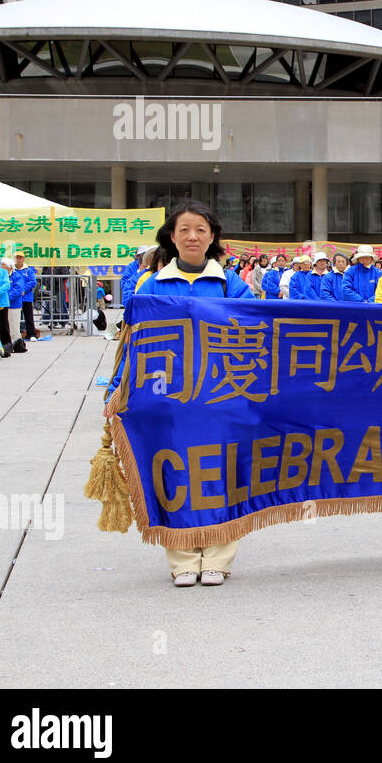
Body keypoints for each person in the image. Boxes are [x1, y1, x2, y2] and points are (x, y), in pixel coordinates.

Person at [109, 200, 252, 587]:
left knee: (224, 472)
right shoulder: (151, 285)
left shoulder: (232, 284)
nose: (193, 236)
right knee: (175, 471)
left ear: (213, 237)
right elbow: (135, 342)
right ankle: (183, 559)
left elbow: (257, 333)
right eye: (185, 229)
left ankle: (218, 557)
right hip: (170, 396)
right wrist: (118, 387)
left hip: (221, 394)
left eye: (201, 230)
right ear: (171, 237)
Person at [11, 252, 38, 344]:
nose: (18, 259)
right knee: (15, 317)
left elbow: (32, 282)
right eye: (17, 257)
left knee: (28, 316)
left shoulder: (28, 270)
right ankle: (17, 334)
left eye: (20, 258)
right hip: (15, 298)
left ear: (23, 259)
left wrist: (23, 290)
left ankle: (31, 334)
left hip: (26, 297)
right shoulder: (12, 270)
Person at [0, 257, 13, 357]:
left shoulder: (3, 272)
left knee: (4, 326)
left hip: (2, 302)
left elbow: (6, 285)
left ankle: (7, 346)